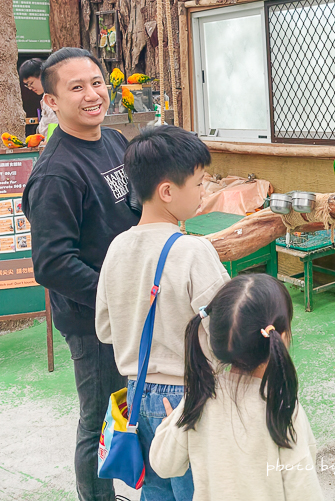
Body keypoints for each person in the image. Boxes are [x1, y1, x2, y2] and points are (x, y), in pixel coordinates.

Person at [22, 47, 140, 501]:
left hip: (132, 305)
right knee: (100, 418)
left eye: (96, 83)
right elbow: (52, 264)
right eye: (77, 88)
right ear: (51, 102)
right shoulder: (56, 173)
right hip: (93, 321)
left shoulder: (113, 141)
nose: (93, 95)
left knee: (130, 405)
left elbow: (134, 204)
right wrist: (118, 298)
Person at [96, 125, 229, 501]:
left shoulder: (117, 247)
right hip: (188, 396)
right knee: (197, 491)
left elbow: (105, 329)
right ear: (167, 191)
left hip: (136, 397)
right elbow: (224, 329)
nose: (203, 192)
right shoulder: (193, 251)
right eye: (199, 183)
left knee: (156, 491)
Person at [149, 274, 324, 501]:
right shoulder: (282, 408)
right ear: (280, 337)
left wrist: (170, 424)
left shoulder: (201, 397)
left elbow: (164, 465)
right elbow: (304, 491)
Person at [19, 57, 59, 137]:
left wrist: (48, 141)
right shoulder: (45, 97)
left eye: (31, 83)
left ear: (42, 76)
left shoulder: (53, 96)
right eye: (27, 85)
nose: (30, 88)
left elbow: (55, 123)